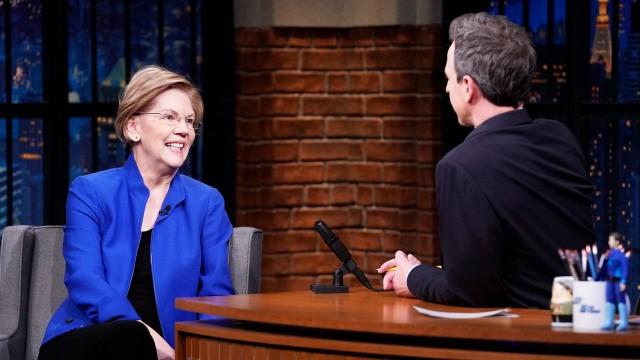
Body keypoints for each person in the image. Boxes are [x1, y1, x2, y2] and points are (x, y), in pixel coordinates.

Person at [377, 12, 595, 308]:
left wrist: (411, 276)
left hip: (521, 340)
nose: (446, 88)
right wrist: (425, 272)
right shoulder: (561, 139)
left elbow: (468, 291)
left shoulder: (461, 165)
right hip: (582, 326)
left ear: (468, 86)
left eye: (448, 78)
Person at [38, 66, 234, 360]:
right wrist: (145, 335)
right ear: (133, 127)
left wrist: (194, 353)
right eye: (169, 117)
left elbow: (217, 297)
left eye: (190, 121)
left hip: (172, 349)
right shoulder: (90, 191)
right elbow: (85, 280)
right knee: (130, 338)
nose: (184, 129)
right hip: (87, 340)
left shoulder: (206, 203)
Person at [601, 232, 629, 331]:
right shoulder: (609, 254)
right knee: (609, 300)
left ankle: (624, 322)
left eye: (611, 240)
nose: (609, 242)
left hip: (618, 281)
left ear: (617, 242)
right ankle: (609, 321)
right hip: (609, 281)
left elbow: (625, 269)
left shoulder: (621, 256)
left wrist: (624, 281)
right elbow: (605, 268)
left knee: (621, 300)